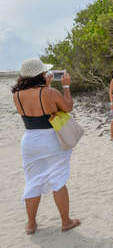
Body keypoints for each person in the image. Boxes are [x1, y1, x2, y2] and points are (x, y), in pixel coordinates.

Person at [11, 58, 80, 234]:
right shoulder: (50, 92)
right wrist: (65, 87)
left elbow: (34, 105)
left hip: (29, 140)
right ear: (41, 74)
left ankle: (31, 224)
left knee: (33, 181)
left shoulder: (17, 95)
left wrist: (46, 86)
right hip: (51, 138)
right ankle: (66, 221)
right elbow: (68, 106)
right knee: (58, 180)